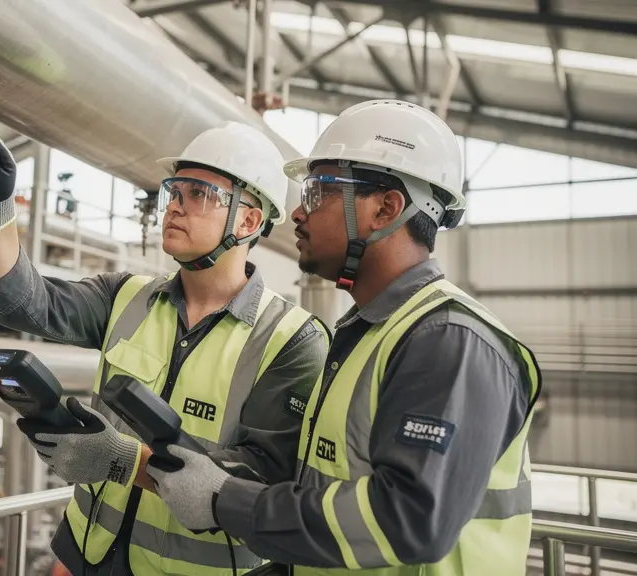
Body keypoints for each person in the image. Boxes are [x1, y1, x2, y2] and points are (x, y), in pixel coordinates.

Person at [146, 99, 543, 575]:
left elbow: (407, 521)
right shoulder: (366, 334)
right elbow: (332, 500)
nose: (297, 213)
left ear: (386, 209)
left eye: (317, 192)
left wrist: (227, 501)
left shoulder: (449, 342)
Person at [0, 102, 329, 575]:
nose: (175, 205)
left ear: (248, 223)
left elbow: (263, 481)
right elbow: (26, 302)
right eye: (174, 190)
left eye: (200, 193)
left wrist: (126, 461)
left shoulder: (292, 341)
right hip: (88, 556)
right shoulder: (124, 297)